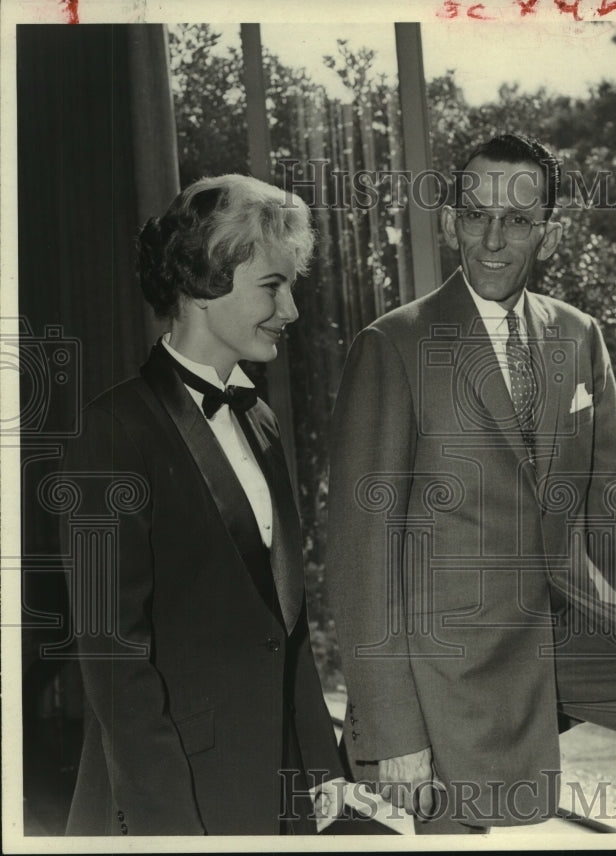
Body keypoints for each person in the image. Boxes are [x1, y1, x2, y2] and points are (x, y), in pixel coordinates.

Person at [326, 133, 616, 832]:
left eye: (519, 221)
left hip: (560, 630)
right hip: (449, 668)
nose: (493, 240)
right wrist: (394, 731)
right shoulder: (393, 345)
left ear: (548, 235)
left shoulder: (578, 335)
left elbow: (615, 502)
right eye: (475, 216)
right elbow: (361, 560)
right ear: (449, 222)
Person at [62, 175, 344, 835]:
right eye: (273, 286)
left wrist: (320, 759)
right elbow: (111, 659)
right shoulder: (111, 430)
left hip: (278, 783)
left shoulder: (262, 418)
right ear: (205, 280)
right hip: (175, 796)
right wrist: (171, 828)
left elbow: (282, 609)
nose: (292, 310)